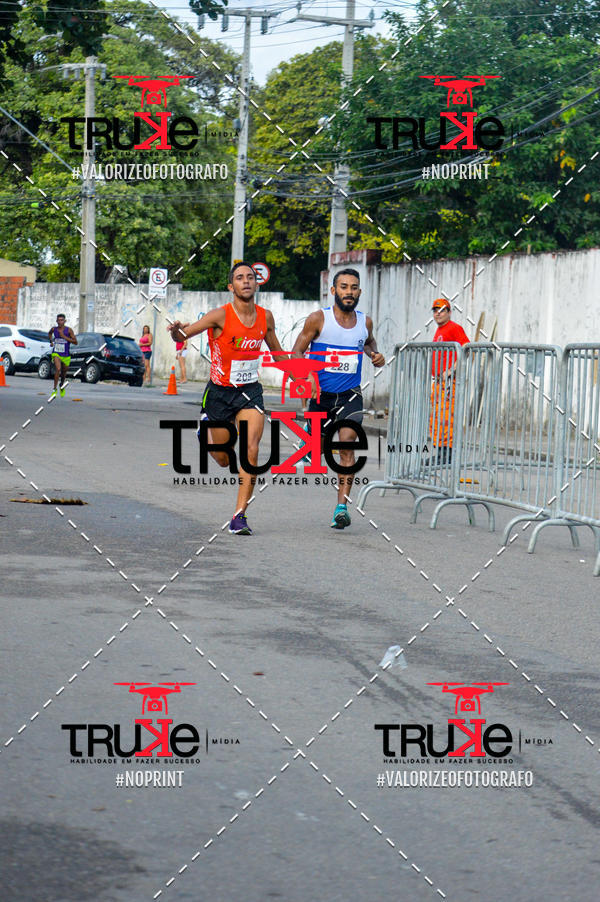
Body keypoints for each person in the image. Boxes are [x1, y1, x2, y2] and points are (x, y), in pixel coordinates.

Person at [168, 262, 286, 535]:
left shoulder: (265, 317)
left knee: (251, 450)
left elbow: (277, 351)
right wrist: (176, 330)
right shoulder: (219, 315)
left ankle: (239, 515)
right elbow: (183, 334)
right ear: (231, 287)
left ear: (257, 284)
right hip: (220, 393)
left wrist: (298, 373)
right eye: (240, 278)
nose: (246, 281)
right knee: (223, 459)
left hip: (250, 392)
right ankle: (205, 433)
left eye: (251, 278)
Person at [291, 268, 385, 529]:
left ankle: (341, 507)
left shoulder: (365, 322)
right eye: (343, 287)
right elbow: (297, 352)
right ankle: (310, 437)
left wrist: (375, 355)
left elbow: (368, 343)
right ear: (334, 291)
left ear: (359, 292)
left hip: (350, 396)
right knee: (317, 447)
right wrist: (308, 375)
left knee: (347, 447)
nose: (349, 292)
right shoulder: (318, 319)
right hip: (320, 395)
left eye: (354, 287)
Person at [429, 297, 470, 464]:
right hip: (439, 382)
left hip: (449, 383)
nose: (438, 313)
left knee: (447, 417)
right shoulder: (439, 330)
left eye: (442, 310)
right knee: (436, 418)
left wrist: (451, 371)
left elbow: (466, 349)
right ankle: (439, 453)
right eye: (435, 310)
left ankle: (447, 455)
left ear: (449, 312)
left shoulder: (454, 328)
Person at [48, 313, 77, 399]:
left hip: (66, 354)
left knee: (64, 373)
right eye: (58, 320)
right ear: (56, 321)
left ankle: (61, 384)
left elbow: (75, 342)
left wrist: (64, 337)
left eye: (62, 320)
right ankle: (54, 389)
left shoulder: (69, 330)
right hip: (56, 353)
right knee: (58, 369)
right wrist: (51, 341)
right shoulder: (54, 329)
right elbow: (49, 333)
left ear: (65, 321)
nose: (60, 322)